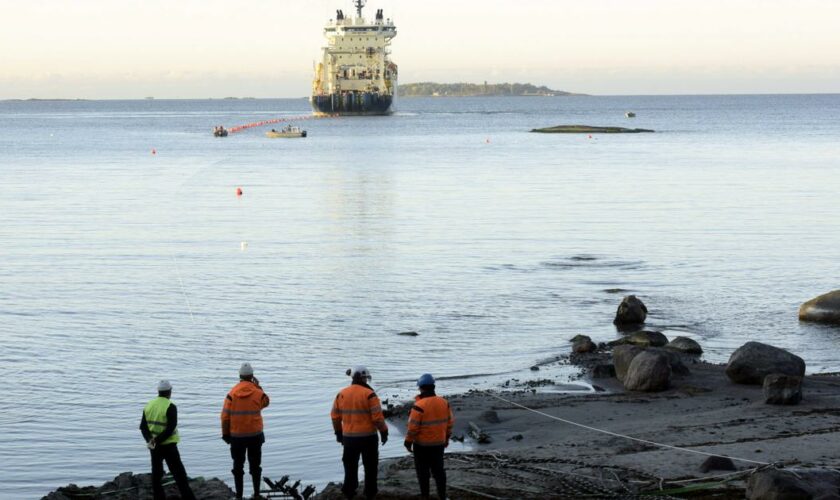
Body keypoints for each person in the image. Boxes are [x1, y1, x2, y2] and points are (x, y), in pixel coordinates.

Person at [331, 366, 389, 499]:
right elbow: (378, 418)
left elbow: (335, 417)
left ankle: (349, 491)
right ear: (363, 378)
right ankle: (370, 493)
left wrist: (338, 433)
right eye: (366, 379)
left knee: (350, 466)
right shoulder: (369, 394)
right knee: (370, 467)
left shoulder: (341, 394)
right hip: (368, 438)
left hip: (349, 438)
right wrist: (384, 432)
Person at [139, 380, 196, 500]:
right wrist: (157, 440)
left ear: (158, 391)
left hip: (154, 446)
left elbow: (143, 427)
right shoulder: (170, 406)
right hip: (169, 446)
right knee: (179, 474)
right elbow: (170, 428)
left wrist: (150, 440)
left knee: (156, 474)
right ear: (169, 392)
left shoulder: (149, 405)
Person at [222, 363, 270, 500]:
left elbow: (225, 417)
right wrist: (258, 386)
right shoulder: (258, 392)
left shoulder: (231, 394)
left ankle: (239, 496)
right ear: (252, 377)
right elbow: (266, 402)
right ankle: (256, 494)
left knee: (238, 467)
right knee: (255, 466)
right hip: (255, 436)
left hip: (237, 437)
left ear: (239, 376)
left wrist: (226, 434)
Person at [404, 373, 454, 500]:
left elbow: (413, 428)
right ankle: (442, 496)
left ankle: (425, 496)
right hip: (439, 443)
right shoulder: (444, 403)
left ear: (420, 388)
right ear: (433, 386)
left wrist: (408, 442)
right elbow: (450, 423)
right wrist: (446, 438)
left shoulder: (419, 406)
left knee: (423, 473)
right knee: (439, 471)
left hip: (422, 446)